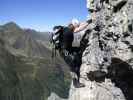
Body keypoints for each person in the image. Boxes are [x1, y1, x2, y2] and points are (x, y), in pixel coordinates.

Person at [52, 18, 92, 88]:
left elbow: (79, 28)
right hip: (65, 52)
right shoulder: (69, 32)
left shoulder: (65, 28)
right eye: (76, 26)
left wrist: (87, 22)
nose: (76, 28)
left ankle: (76, 67)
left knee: (77, 53)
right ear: (73, 26)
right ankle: (75, 83)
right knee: (73, 66)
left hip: (64, 49)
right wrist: (88, 23)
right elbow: (79, 29)